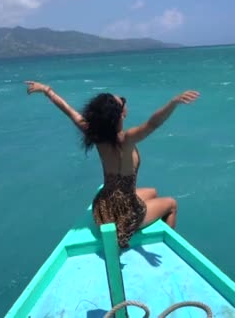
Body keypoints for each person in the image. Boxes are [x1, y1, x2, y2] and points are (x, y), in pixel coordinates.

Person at [25, 80, 200, 248]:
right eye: (122, 101)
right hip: (126, 213)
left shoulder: (95, 134)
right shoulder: (127, 139)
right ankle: (165, 246)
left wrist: (47, 90)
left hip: (103, 208)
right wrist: (173, 103)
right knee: (171, 204)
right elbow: (153, 123)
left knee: (152, 192)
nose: (125, 101)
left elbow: (68, 111)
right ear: (121, 114)